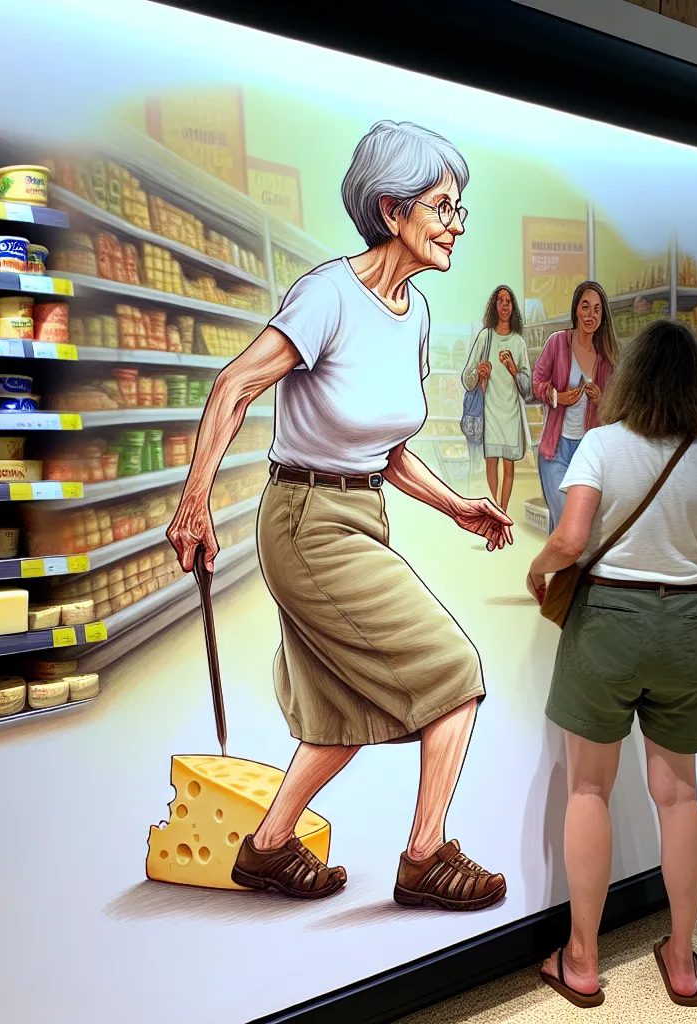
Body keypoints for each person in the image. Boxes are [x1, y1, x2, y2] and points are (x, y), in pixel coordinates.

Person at [167, 120, 511, 911]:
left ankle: (266, 850)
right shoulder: (328, 294)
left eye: (461, 210)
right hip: (306, 522)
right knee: (455, 676)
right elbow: (234, 387)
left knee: (339, 714)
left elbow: (386, 451)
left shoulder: (415, 314)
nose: (457, 224)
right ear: (392, 211)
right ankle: (425, 858)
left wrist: (457, 505)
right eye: (443, 207)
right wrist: (195, 506)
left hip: (363, 516)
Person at [526, 319, 697, 1008]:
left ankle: (583, 961)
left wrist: (540, 569)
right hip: (686, 628)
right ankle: (683, 962)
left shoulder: (600, 444)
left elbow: (571, 539)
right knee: (681, 796)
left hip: (606, 624)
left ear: (630, 378)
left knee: (588, 791)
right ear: (695, 386)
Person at [532, 281, 618, 534]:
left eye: (597, 310)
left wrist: (601, 400)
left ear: (602, 316)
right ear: (576, 310)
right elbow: (537, 383)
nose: (590, 315)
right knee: (564, 517)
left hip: (588, 450)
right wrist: (558, 397)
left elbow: (615, 406)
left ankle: (558, 572)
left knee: (573, 524)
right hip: (554, 449)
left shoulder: (606, 357)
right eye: (585, 307)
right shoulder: (558, 342)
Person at [462, 285, 532, 511]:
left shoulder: (519, 343)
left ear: (513, 307)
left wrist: (513, 368)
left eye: (508, 301)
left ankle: (503, 511)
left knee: (509, 467)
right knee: (491, 463)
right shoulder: (485, 337)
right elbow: (466, 377)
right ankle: (494, 512)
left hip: (511, 413)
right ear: (494, 306)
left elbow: (527, 386)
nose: (504, 305)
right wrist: (478, 373)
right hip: (489, 410)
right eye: (500, 301)